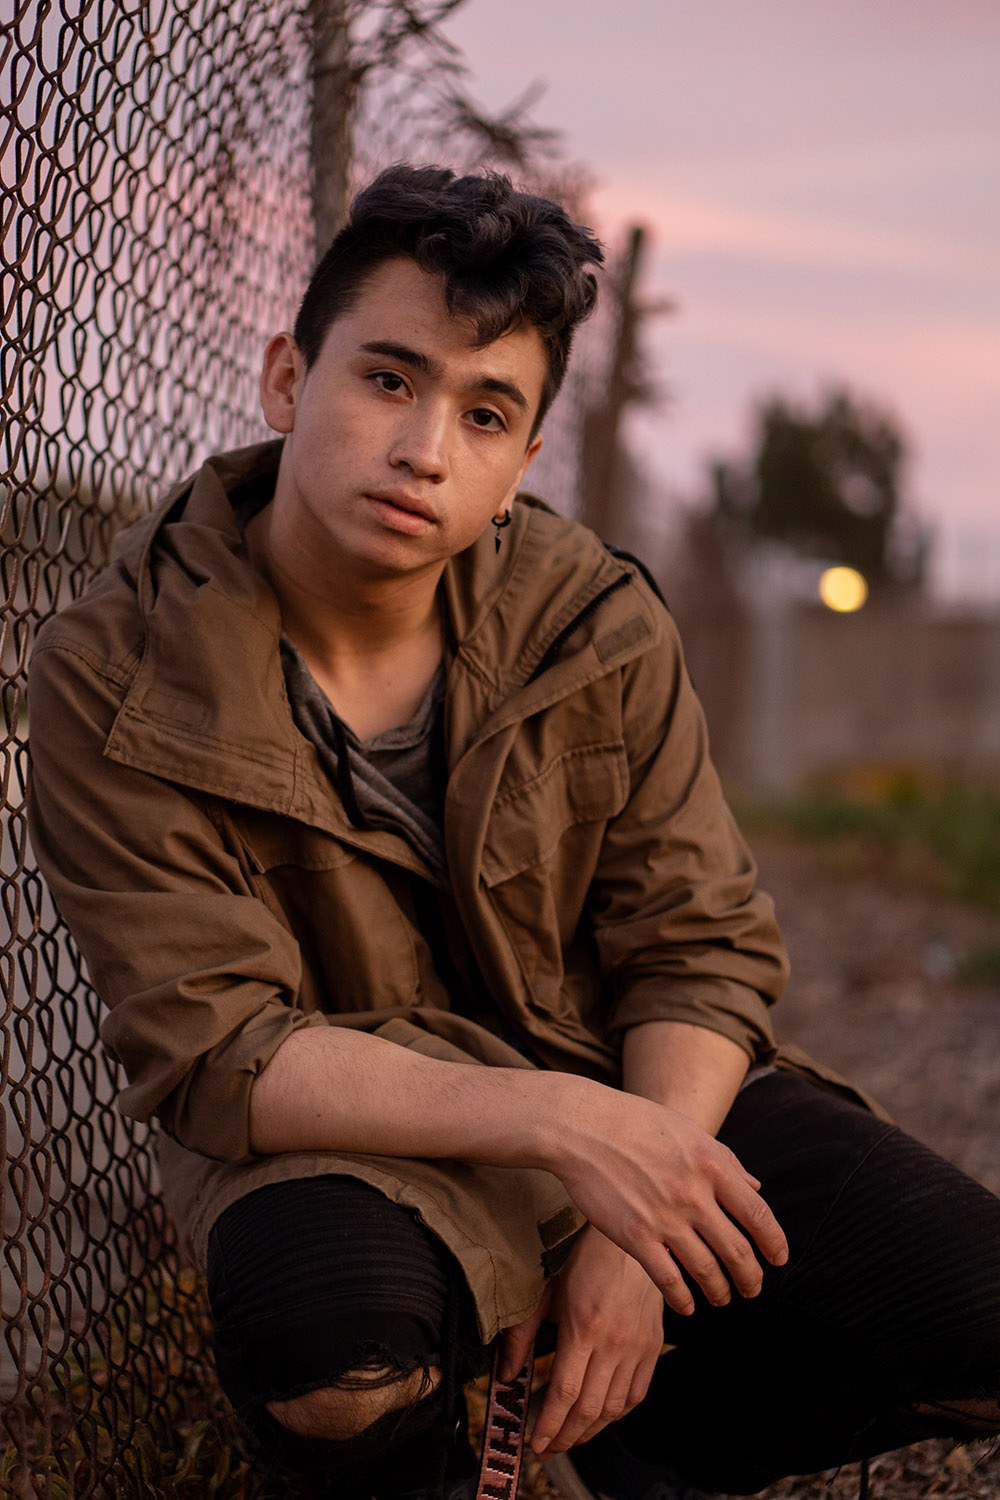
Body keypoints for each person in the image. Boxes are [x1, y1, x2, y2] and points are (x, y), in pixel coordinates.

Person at [28, 165, 1000, 1500]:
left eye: (484, 413)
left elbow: (697, 950)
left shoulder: (591, 619)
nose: (427, 447)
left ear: (521, 465)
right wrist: (570, 1133)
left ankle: (622, 1452)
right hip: (355, 1138)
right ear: (283, 380)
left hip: (612, 1085)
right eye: (386, 379)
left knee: (977, 1304)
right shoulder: (116, 668)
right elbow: (221, 1050)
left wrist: (636, 1230)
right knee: (326, 1338)